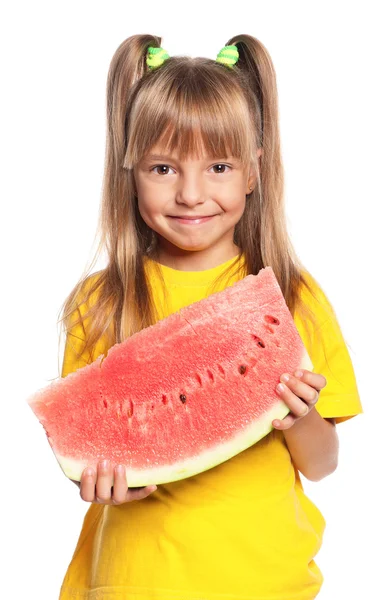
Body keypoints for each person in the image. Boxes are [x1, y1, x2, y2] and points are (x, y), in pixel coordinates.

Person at [57, 33, 363, 600]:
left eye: (218, 165)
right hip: (134, 579)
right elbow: (88, 457)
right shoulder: (99, 303)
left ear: (254, 171)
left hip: (267, 580)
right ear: (129, 169)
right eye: (163, 168)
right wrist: (101, 482)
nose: (191, 194)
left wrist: (300, 418)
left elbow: (322, 466)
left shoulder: (293, 298)